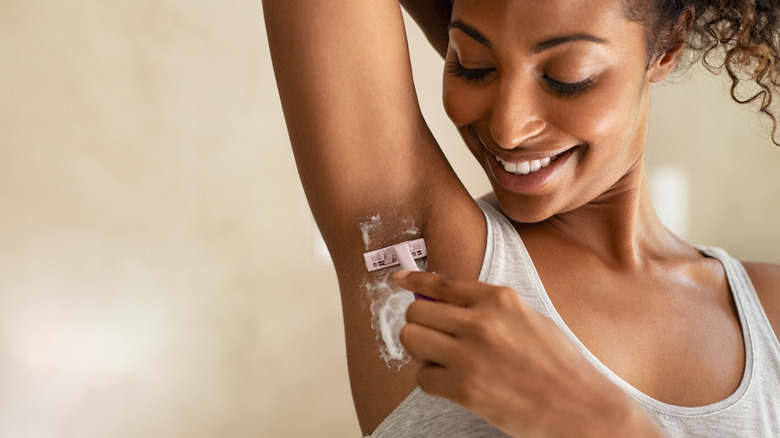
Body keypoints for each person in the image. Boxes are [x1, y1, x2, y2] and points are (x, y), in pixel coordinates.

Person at [263, 0, 780, 436]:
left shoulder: (771, 314)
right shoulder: (417, 253)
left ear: (667, 45)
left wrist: (597, 422)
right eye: (471, 64)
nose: (509, 129)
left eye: (566, 77)